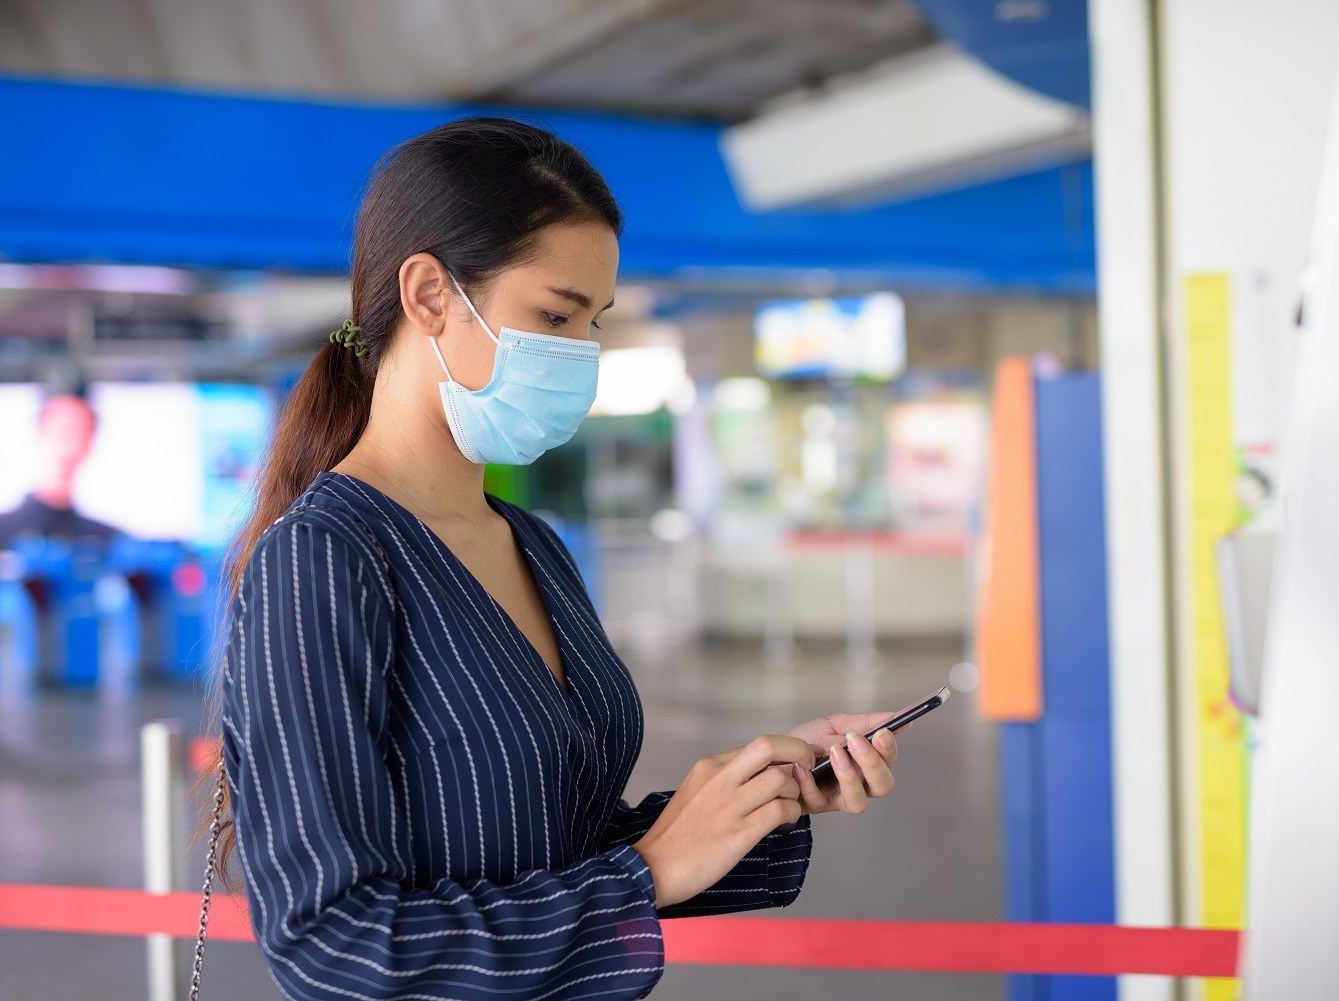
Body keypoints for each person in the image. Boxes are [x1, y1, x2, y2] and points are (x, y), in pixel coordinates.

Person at [204, 117, 903, 1001]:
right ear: (429, 294)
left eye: (594, 321)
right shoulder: (323, 560)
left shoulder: (532, 544)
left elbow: (550, 840)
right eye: (554, 314)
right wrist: (644, 872)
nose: (581, 353)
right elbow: (331, 942)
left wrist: (755, 799)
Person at [0, 387, 122, 552]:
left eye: (79, 434)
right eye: (60, 432)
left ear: (90, 442)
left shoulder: (109, 542)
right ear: (40, 434)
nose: (68, 447)